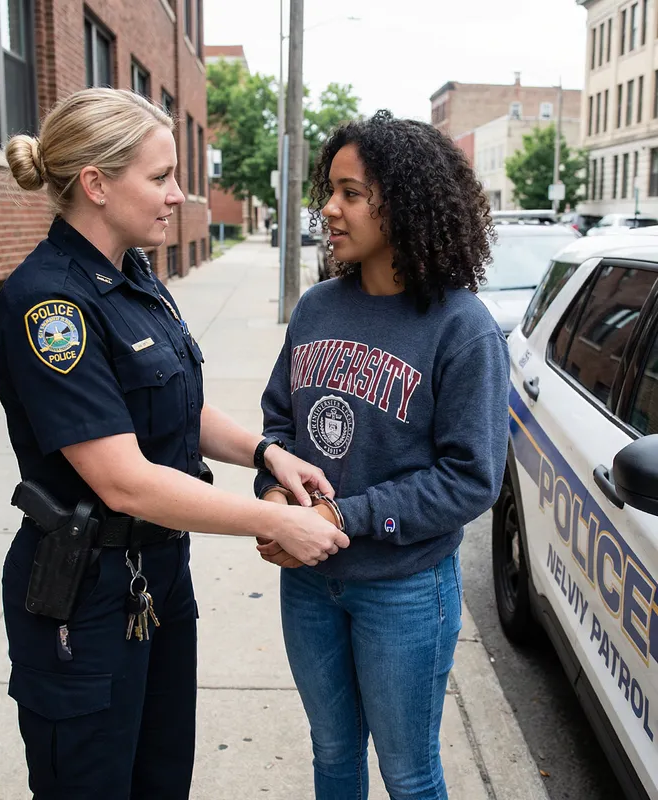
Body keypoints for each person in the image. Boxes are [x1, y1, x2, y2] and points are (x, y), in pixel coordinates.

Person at [0, 87, 349, 800]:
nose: (181, 197)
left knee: (161, 782)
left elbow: (178, 407)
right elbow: (123, 478)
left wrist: (266, 454)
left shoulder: (134, 276)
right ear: (95, 183)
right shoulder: (51, 305)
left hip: (156, 577)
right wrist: (276, 520)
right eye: (160, 178)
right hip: (85, 597)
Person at [253, 111, 510, 800]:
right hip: (308, 582)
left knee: (409, 773)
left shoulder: (462, 329)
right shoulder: (315, 309)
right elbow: (280, 423)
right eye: (328, 191)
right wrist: (276, 500)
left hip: (403, 589)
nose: (329, 209)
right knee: (333, 752)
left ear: (407, 203)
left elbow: (471, 480)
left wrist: (343, 515)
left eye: (351, 193)